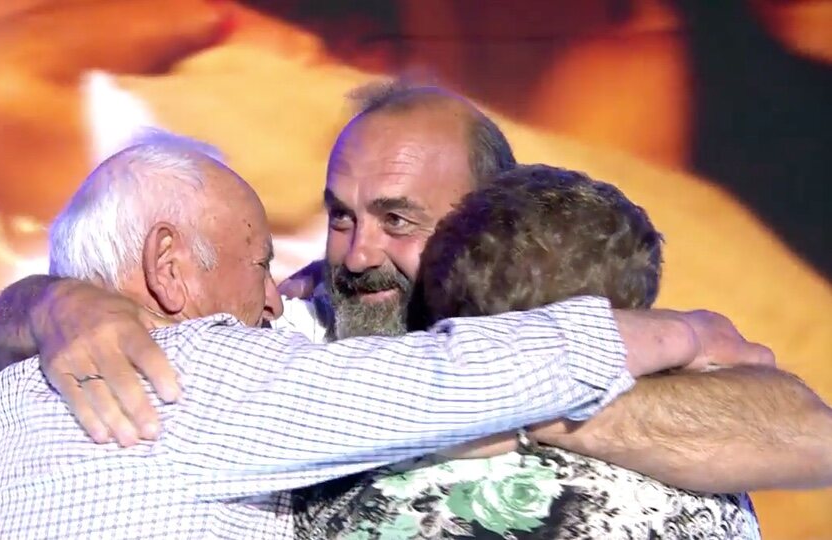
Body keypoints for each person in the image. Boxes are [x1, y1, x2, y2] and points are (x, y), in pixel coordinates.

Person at [0, 82, 831, 493]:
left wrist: (505, 401)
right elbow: (25, 344)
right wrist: (54, 304)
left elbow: (809, 440)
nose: (355, 253)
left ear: (484, 219)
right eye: (340, 215)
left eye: (397, 218)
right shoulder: (292, 325)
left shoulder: (589, 331)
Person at [0, 128, 724, 539]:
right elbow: (450, 377)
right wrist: (684, 334)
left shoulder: (9, 399)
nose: (271, 299)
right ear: (168, 269)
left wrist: (43, 303)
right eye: (259, 264)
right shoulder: (185, 373)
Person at [296, 164, 775, 539]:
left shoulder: (336, 485)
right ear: (635, 312)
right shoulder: (707, 488)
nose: (359, 254)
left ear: (443, 296)